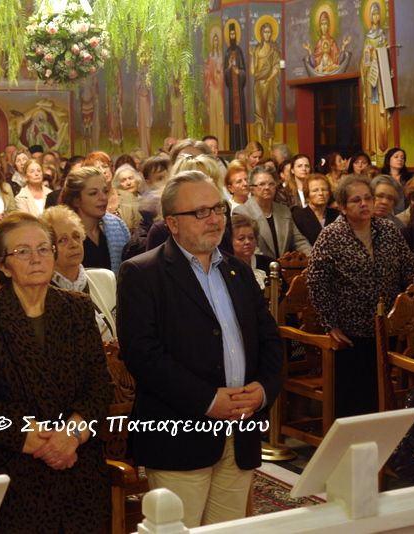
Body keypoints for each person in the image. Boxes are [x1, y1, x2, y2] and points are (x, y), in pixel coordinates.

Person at [117, 170, 282, 528]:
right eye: (200, 212)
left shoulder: (238, 271)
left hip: (240, 429)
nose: (214, 219)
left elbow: (270, 340)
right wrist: (208, 400)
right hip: (179, 435)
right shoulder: (142, 273)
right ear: (173, 223)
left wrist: (263, 391)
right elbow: (143, 356)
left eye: (218, 209)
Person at [0, 212, 112, 533]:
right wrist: (45, 446)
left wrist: (69, 437)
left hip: (78, 465)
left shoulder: (78, 308)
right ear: (3, 265)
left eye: (44, 248)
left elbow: (99, 388)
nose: (36, 258)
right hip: (11, 469)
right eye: (23, 251)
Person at [307, 174, 414, 417]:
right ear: (343, 207)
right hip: (350, 332)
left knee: (380, 392)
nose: (364, 204)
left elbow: (410, 270)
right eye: (356, 200)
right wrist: (330, 324)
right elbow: (316, 281)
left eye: (368, 198)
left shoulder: (388, 229)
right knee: (354, 396)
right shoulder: (332, 235)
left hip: (386, 328)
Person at [41, 205, 117, 342]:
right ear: (46, 249)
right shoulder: (40, 294)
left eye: (76, 236)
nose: (74, 244)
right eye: (62, 240)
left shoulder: (106, 278)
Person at [59, 166, 130, 275]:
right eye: (93, 193)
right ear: (76, 200)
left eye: (105, 191)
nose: (103, 198)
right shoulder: (62, 234)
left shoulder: (118, 226)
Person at [233, 165, 312, 259]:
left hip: (284, 266)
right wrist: (271, 264)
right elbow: (249, 248)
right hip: (257, 266)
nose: (267, 187)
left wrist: (313, 257)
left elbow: (298, 241)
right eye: (261, 184)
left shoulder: (284, 210)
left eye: (271, 184)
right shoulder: (242, 212)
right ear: (251, 189)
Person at [361, 2, 389, 157]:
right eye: (373, 14)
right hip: (370, 79)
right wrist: (365, 65)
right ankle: (372, 145)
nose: (376, 17)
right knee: (372, 109)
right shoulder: (367, 37)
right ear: (370, 17)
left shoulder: (383, 36)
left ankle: (381, 144)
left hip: (380, 79)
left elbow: (386, 55)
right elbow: (364, 58)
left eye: (378, 13)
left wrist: (377, 57)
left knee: (381, 110)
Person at [250, 22, 281, 148]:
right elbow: (253, 72)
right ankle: (259, 142)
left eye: (269, 32)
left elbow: (277, 68)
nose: (267, 34)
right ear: (261, 34)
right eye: (265, 32)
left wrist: (268, 80)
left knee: (270, 111)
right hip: (258, 83)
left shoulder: (274, 50)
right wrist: (253, 57)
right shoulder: (257, 50)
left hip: (269, 84)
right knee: (258, 112)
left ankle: (270, 144)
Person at [292, 173, 339, 246]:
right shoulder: (297, 217)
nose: (321, 193)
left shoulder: (337, 215)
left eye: (324, 189)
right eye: (315, 190)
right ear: (307, 196)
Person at [229, 213, 273, 290]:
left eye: (251, 237)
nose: (248, 242)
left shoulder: (269, 264)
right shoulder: (226, 268)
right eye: (241, 238)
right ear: (230, 241)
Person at [224, 19, 248, 151]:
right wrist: (229, 68)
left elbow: (243, 70)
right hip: (231, 94)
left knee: (241, 118)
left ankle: (243, 146)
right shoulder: (228, 52)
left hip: (239, 92)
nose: (232, 36)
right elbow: (225, 73)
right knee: (233, 119)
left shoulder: (239, 51)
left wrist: (239, 72)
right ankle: (233, 147)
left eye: (234, 34)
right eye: (230, 34)